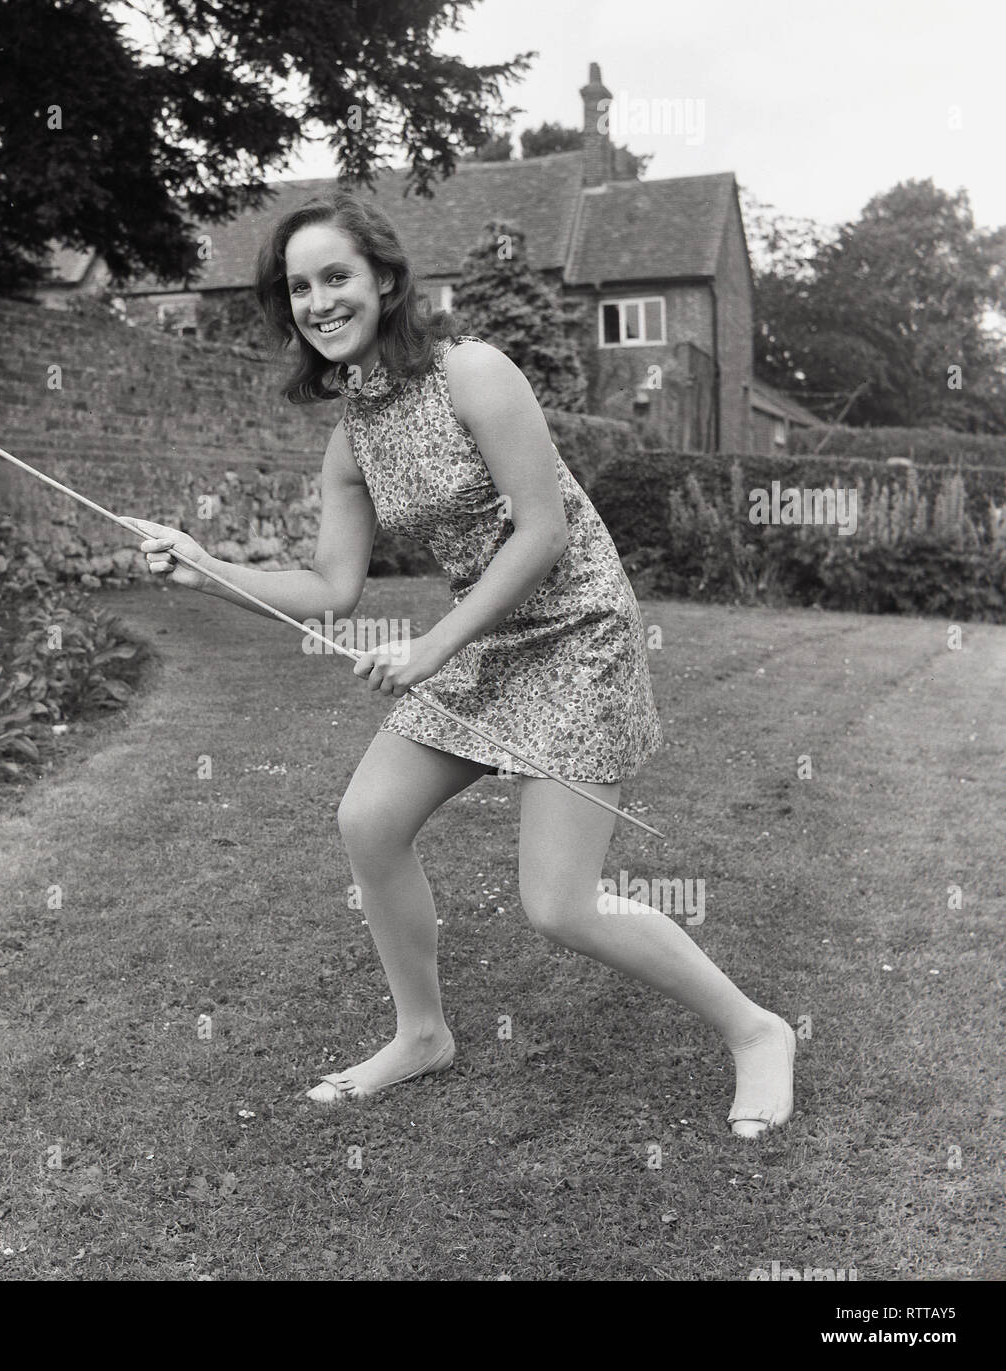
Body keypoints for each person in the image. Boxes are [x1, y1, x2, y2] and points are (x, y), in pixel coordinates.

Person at [124, 192, 795, 1137]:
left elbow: (544, 529)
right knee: (368, 818)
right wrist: (203, 568)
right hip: (481, 637)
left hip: (573, 631)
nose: (318, 301)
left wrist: (434, 646)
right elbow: (332, 590)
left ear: (387, 280)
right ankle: (422, 1033)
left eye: (336, 277)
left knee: (559, 907)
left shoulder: (473, 371)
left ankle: (757, 1030)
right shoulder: (351, 441)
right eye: (299, 286)